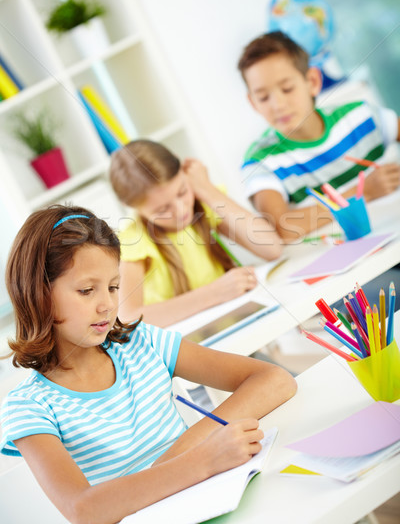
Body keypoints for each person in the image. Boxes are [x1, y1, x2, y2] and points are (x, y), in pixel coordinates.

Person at [0, 205, 296, 524]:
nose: (107, 305)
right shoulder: (28, 407)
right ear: (39, 293)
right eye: (87, 290)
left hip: (216, 502)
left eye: (114, 287)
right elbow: (82, 510)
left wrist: (189, 445)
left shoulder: (143, 344)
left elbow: (276, 380)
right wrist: (200, 461)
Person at [238, 31, 400, 241]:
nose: (278, 105)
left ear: (312, 81)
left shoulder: (359, 116)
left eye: (287, 89)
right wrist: (363, 192)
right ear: (253, 103)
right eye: (263, 97)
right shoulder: (260, 161)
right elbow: (283, 227)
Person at [109, 140, 282, 327]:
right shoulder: (133, 241)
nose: (181, 209)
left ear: (184, 173)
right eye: (162, 209)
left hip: (233, 324)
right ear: (134, 208)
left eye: (182, 192)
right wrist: (214, 294)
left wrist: (205, 188)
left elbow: (272, 248)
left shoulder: (202, 204)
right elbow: (127, 316)